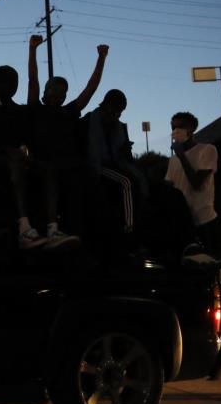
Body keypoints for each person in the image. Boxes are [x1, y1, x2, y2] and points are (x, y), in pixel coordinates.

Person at [26, 35, 109, 247]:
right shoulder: (36, 109)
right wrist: (33, 49)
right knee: (54, 175)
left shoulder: (69, 111)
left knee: (86, 183)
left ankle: (86, 237)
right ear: (45, 92)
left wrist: (101, 59)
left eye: (61, 92)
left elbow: (91, 88)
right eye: (53, 89)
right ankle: (52, 229)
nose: (57, 94)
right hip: (44, 163)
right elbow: (33, 79)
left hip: (69, 164)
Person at [0, 65, 48, 249]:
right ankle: (24, 226)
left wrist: (24, 153)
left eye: (9, 84)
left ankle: (49, 226)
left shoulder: (18, 111)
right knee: (12, 167)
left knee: (43, 169)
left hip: (15, 159)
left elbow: (25, 138)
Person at [81, 90, 145, 234]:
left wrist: (125, 151)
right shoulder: (89, 121)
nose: (115, 115)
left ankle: (136, 220)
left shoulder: (120, 127)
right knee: (127, 182)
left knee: (138, 179)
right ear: (105, 106)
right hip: (98, 164)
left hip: (117, 163)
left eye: (119, 112)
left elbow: (127, 158)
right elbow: (88, 151)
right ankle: (130, 226)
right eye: (114, 110)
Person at [165, 111, 218, 252]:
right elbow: (170, 188)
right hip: (182, 222)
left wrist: (182, 155)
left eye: (181, 126)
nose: (176, 131)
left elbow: (196, 183)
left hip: (204, 220)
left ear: (192, 129)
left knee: (209, 262)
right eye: (173, 127)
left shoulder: (207, 150)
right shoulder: (173, 160)